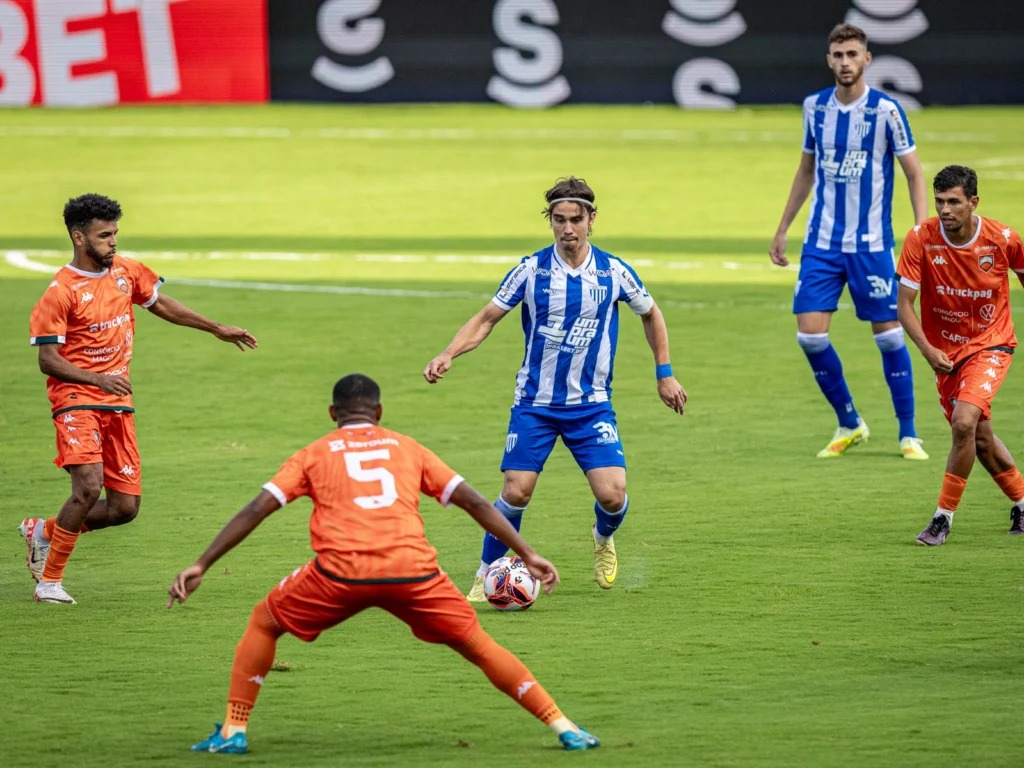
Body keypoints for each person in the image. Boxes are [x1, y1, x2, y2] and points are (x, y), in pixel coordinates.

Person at [167, 374, 600, 754]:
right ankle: (564, 727)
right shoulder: (408, 448)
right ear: (378, 412)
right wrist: (528, 553)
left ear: (333, 413)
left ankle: (233, 730)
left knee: (264, 622)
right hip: (414, 572)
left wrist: (202, 563)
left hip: (340, 574)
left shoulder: (314, 453)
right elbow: (473, 501)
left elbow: (258, 507)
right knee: (479, 646)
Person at [423, 176, 687, 601]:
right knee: (516, 490)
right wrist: (449, 352)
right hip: (535, 404)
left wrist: (665, 373)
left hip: (591, 406)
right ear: (550, 221)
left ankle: (603, 538)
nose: (567, 229)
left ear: (591, 220)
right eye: (559, 220)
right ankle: (486, 573)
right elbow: (487, 318)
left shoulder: (613, 272)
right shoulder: (531, 270)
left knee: (613, 496)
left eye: (575, 220)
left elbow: (651, 313)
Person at [21, 193, 258, 605]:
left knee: (124, 509)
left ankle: (44, 531)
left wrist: (216, 327)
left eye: (115, 233)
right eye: (104, 235)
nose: (113, 241)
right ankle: (49, 582)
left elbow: (158, 302)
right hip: (76, 397)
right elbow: (48, 360)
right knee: (88, 487)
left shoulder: (126, 271)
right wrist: (98, 378)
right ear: (79, 238)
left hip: (116, 401)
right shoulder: (60, 292)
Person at [768, 22, 930, 460]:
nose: (845, 62)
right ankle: (850, 421)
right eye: (838, 55)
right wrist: (783, 228)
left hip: (872, 244)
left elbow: (914, 173)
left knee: (890, 335)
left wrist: (921, 233)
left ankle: (908, 433)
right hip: (821, 243)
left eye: (852, 54)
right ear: (829, 60)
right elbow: (806, 170)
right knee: (810, 337)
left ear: (866, 59)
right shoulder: (814, 107)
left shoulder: (886, 111)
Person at [895, 165, 1024, 545]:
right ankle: (1022, 503)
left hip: (991, 343)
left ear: (973, 202)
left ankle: (942, 518)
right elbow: (904, 305)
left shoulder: (1002, 239)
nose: (945, 210)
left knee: (964, 423)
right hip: (945, 354)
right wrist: (927, 349)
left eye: (954, 202)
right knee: (980, 438)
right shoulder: (921, 238)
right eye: (939, 202)